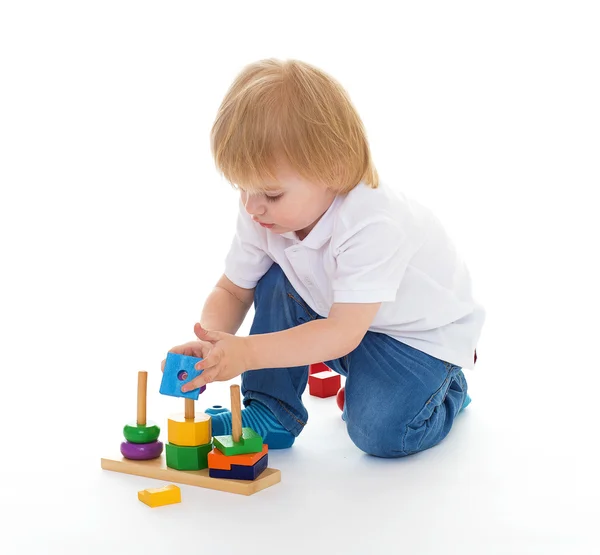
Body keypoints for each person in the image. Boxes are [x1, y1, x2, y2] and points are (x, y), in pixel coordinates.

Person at [162, 58, 485, 457]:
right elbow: (232, 289)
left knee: (379, 434)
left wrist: (246, 353)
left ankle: (446, 391)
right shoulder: (261, 214)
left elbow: (342, 333)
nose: (252, 207)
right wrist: (212, 344)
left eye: (271, 194)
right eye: (242, 188)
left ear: (332, 170)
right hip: (344, 321)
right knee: (274, 276)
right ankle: (271, 409)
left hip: (418, 340)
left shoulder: (372, 222)